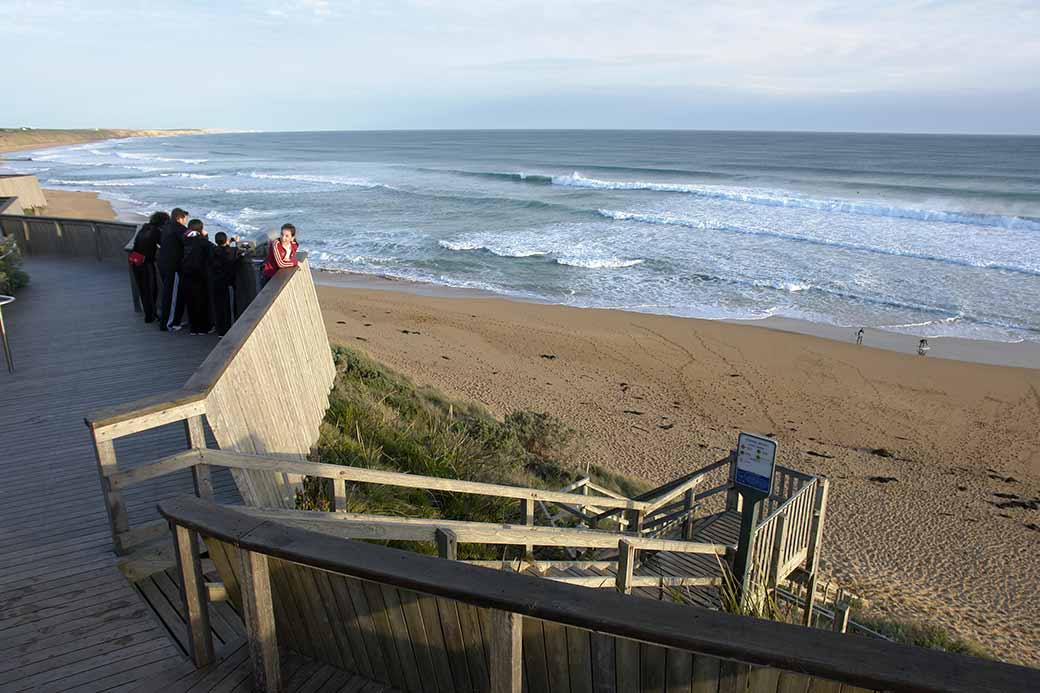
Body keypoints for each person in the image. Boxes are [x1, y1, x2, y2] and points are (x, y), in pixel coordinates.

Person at [129, 211, 167, 323]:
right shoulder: (156, 232)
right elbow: (164, 245)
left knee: (144, 289)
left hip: (136, 261)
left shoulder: (144, 228)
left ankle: (149, 314)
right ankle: (150, 316)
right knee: (151, 290)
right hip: (146, 263)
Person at [157, 208, 190, 331]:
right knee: (172, 295)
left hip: (163, 262)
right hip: (173, 266)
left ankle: (172, 321)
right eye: (185, 219)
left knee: (168, 293)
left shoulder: (166, 227)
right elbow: (192, 239)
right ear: (179, 218)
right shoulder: (179, 228)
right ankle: (168, 324)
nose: (185, 222)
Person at [181, 219, 213, 335]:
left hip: (186, 272)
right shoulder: (201, 240)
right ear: (200, 229)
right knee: (202, 300)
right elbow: (211, 251)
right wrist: (206, 236)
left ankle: (193, 328)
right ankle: (204, 328)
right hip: (199, 273)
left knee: (190, 300)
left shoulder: (184, 238)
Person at [209, 231, 243, 336]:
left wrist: (227, 243)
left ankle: (220, 331)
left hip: (215, 283)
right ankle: (229, 330)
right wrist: (237, 243)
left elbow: (221, 249)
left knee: (219, 307)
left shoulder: (212, 251)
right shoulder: (231, 252)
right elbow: (240, 252)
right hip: (227, 284)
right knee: (228, 307)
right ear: (225, 240)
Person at [260, 223, 299, 288]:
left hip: (282, 275)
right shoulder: (276, 244)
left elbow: (291, 258)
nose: (283, 238)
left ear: (292, 238)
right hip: (270, 276)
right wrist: (295, 263)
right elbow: (281, 264)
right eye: (282, 234)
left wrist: (289, 261)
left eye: (287, 236)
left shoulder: (294, 245)